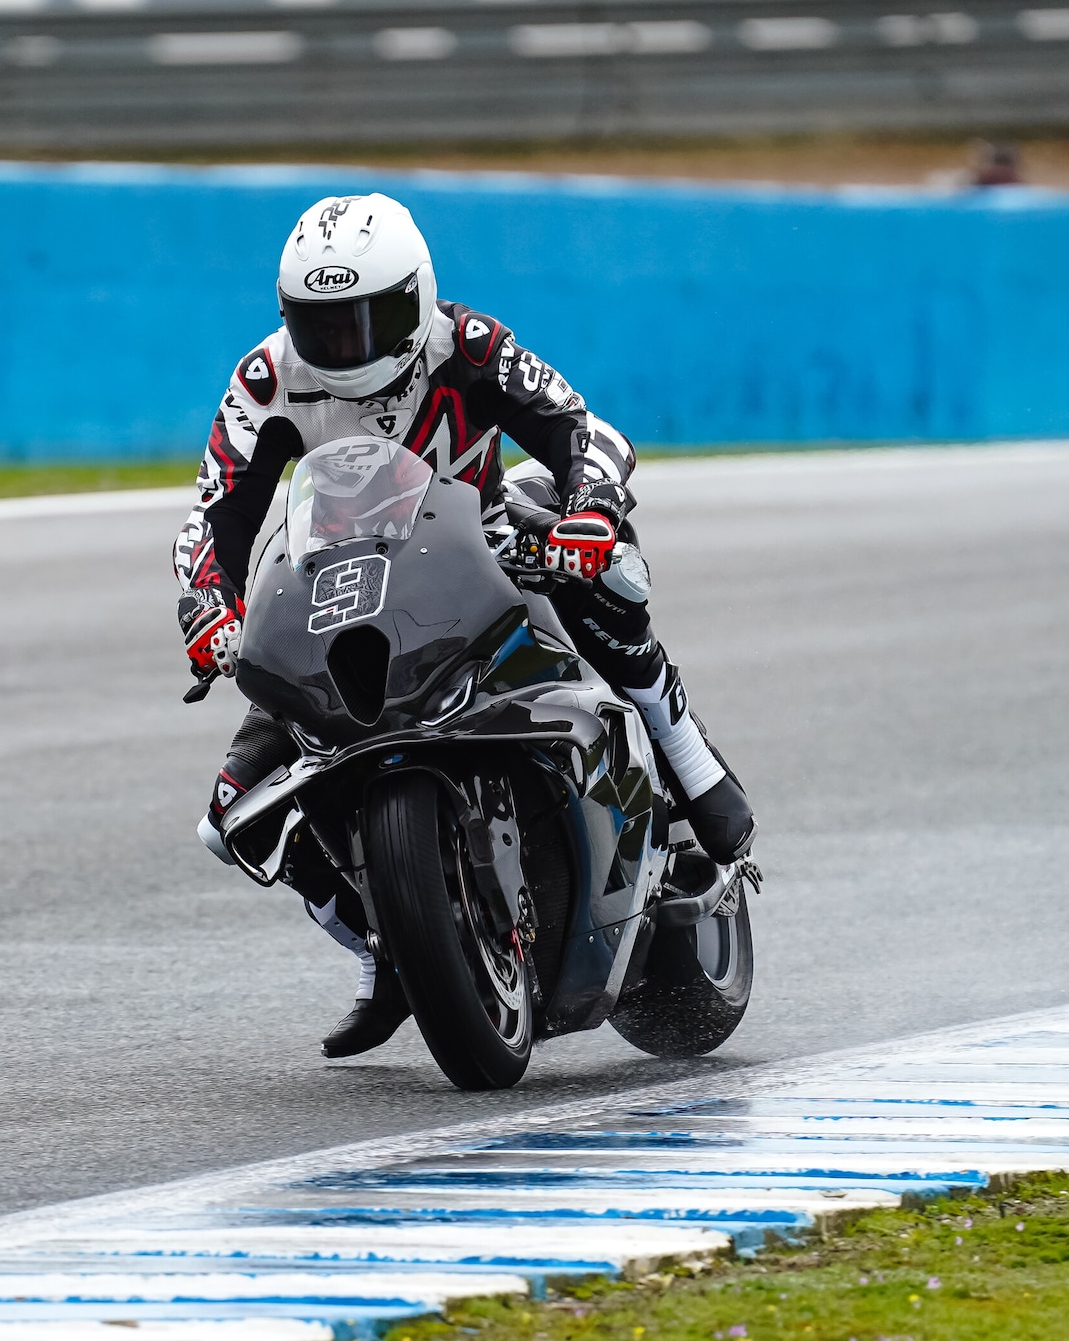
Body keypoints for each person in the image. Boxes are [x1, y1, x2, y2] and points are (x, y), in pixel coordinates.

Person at [173, 193, 755, 1059]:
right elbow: (212, 517)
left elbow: (584, 430)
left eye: (368, 322)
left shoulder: (470, 346)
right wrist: (208, 608)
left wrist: (589, 510)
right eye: (324, 327)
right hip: (345, 599)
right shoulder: (265, 381)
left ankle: (688, 767)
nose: (347, 348)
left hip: (480, 558)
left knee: (613, 579)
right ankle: (385, 952)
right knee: (233, 818)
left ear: (416, 299)